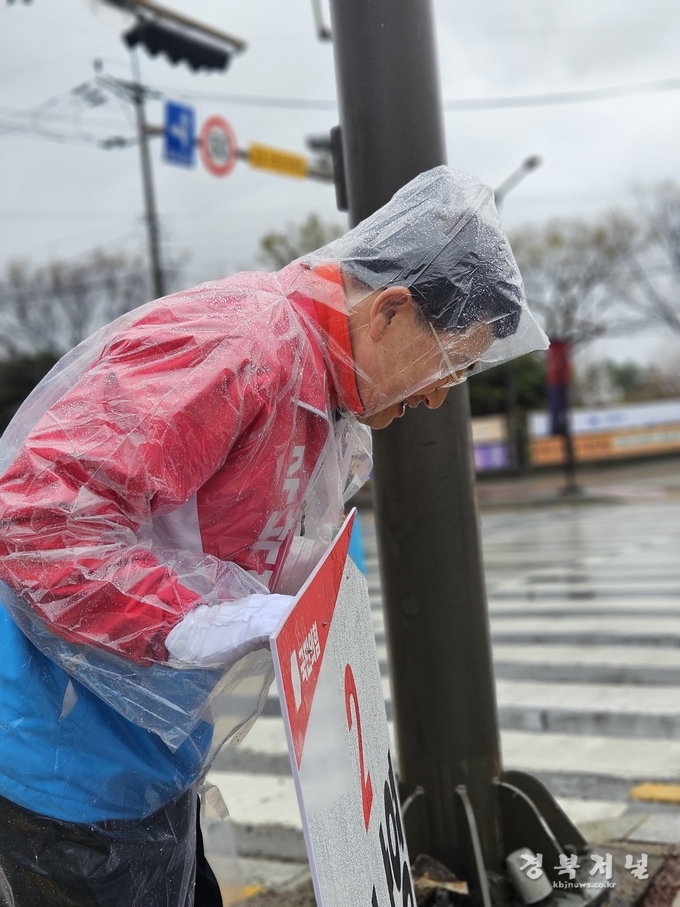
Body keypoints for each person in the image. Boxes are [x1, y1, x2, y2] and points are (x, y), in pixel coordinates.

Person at [0, 166, 547, 906]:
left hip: (134, 746)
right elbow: (41, 518)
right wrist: (197, 621)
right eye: (448, 364)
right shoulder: (242, 344)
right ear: (390, 311)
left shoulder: (321, 389)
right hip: (59, 744)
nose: (437, 396)